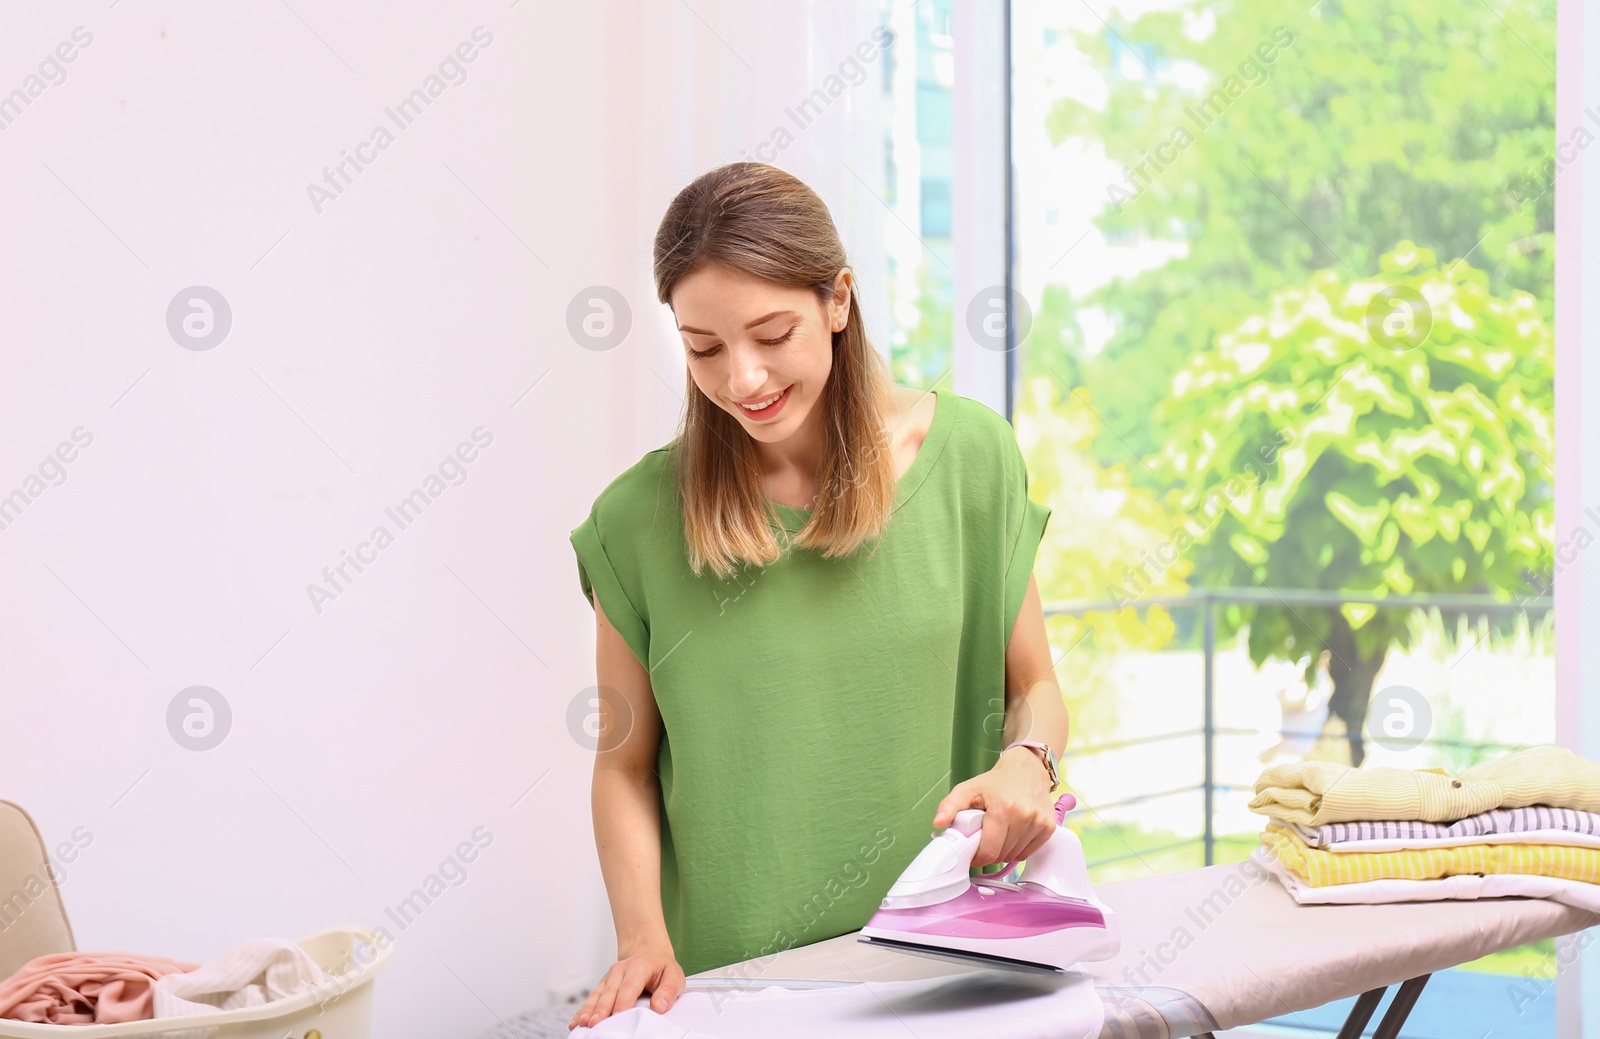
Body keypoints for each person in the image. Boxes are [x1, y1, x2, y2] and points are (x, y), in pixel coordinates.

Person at [565, 161, 1071, 1030]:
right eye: (704, 348)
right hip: (743, 994)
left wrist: (1032, 761)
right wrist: (642, 935)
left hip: (956, 983)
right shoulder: (636, 522)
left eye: (772, 334)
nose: (743, 380)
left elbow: (1036, 688)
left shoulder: (973, 465)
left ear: (838, 301)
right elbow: (622, 764)